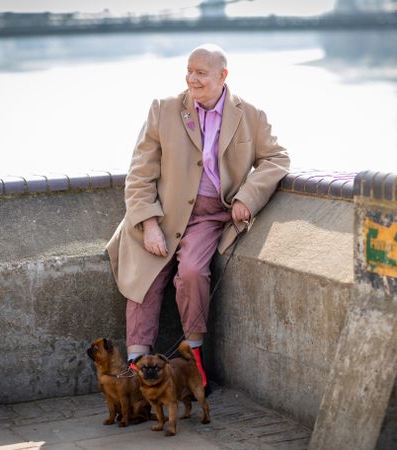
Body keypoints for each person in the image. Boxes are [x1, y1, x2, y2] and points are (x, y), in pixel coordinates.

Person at [106, 43, 290, 389]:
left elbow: (276, 158)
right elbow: (140, 174)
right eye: (188, 71)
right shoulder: (164, 110)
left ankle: (194, 361)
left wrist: (248, 197)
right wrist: (148, 225)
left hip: (210, 218)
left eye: (201, 73)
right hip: (162, 214)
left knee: (191, 272)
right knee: (144, 278)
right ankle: (135, 367)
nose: (192, 78)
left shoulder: (250, 115)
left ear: (222, 76)